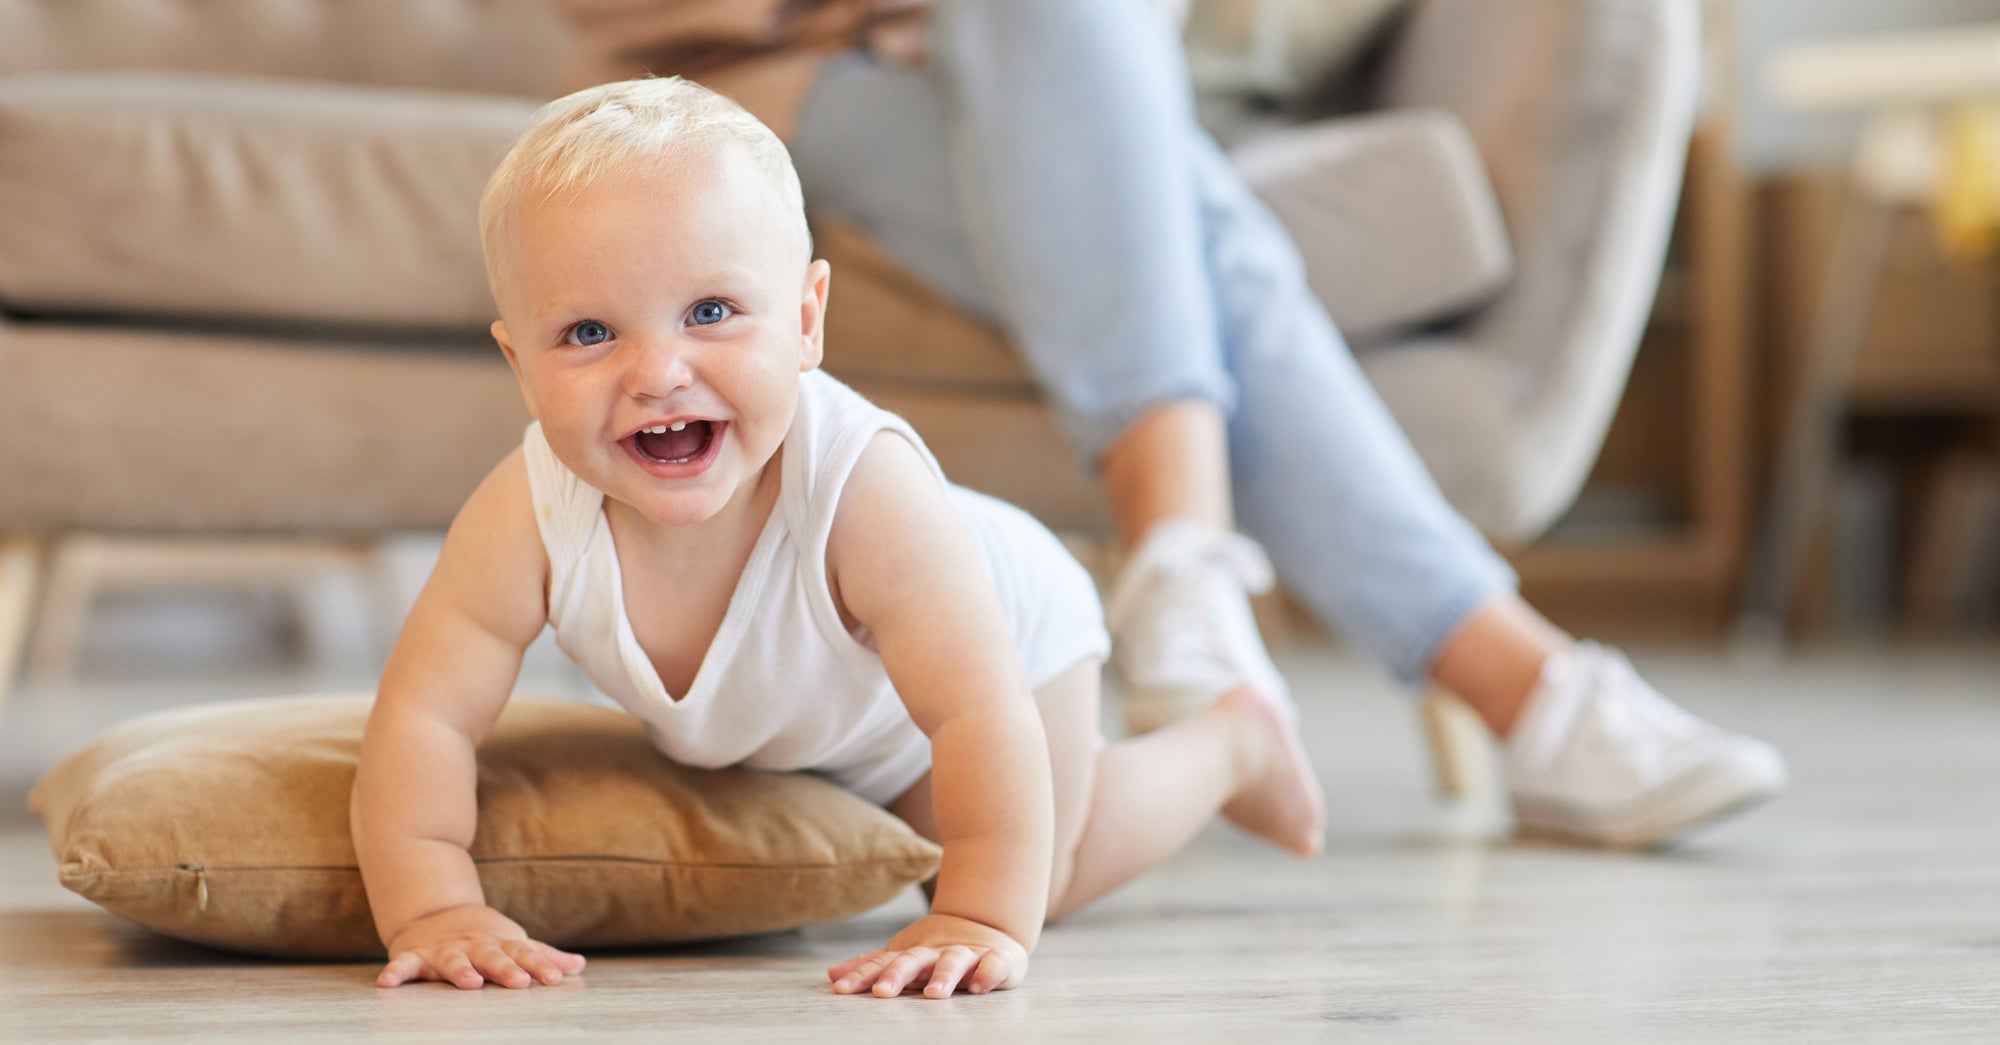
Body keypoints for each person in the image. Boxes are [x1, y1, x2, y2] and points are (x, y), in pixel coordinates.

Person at [555, 0, 1789, 850]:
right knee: (1193, 240)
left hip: (1087, 72)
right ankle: (1511, 679)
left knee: (1114, 134)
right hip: (796, 66)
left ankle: (1184, 558)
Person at [350, 76, 1325, 999]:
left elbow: (976, 713)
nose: (657, 371)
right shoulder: (526, 511)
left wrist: (979, 918)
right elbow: (425, 718)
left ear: (807, 320)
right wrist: (433, 908)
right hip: (808, 714)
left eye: (711, 311)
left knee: (1044, 876)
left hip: (1003, 652)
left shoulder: (865, 491)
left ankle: (1230, 739)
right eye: (590, 333)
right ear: (521, 366)